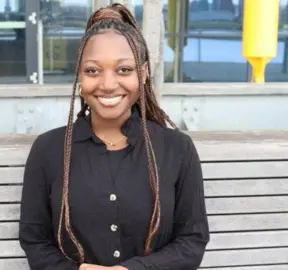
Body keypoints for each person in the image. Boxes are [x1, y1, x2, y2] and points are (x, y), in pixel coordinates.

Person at [18, 3, 210, 270]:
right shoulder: (48, 150)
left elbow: (192, 241)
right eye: (93, 71)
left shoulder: (177, 149)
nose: (108, 84)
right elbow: (35, 241)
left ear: (142, 74)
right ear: (80, 77)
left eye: (124, 70)